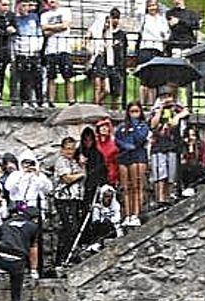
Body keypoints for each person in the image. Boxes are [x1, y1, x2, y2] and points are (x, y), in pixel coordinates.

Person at [0, 205, 39, 301]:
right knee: (16, 297)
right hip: (17, 261)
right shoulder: (32, 226)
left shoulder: (6, 223)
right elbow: (33, 250)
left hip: (1, 258)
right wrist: (33, 271)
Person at [149, 86, 189, 205]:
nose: (167, 99)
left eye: (169, 96)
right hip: (159, 145)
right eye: (164, 97)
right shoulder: (156, 110)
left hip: (173, 144)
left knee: (171, 173)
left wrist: (177, 116)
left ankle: (169, 196)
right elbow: (153, 125)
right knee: (160, 173)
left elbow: (186, 112)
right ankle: (160, 197)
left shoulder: (176, 108)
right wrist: (160, 109)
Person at [115, 102, 149, 227]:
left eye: (136, 111)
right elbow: (117, 139)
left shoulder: (143, 126)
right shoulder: (122, 126)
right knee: (126, 187)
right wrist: (124, 145)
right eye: (131, 112)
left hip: (138, 156)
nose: (134, 114)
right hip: (125, 156)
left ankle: (136, 214)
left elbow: (140, 138)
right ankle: (128, 215)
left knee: (137, 186)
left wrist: (134, 126)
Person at [53, 136, 85, 268]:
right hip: (64, 198)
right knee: (69, 228)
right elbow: (67, 178)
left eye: (72, 149)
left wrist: (82, 165)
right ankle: (61, 258)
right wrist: (81, 174)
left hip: (75, 198)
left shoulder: (75, 162)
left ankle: (70, 255)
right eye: (67, 149)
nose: (70, 152)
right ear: (62, 149)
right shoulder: (61, 161)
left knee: (75, 228)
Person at [40, 0, 74, 106]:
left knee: (68, 76)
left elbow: (65, 26)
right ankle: (51, 101)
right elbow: (44, 31)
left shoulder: (66, 11)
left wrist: (50, 27)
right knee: (51, 76)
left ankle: (71, 100)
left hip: (64, 48)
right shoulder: (44, 15)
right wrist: (59, 27)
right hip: (50, 50)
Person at [138, 0, 170, 104]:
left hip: (158, 49)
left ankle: (152, 104)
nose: (152, 8)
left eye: (154, 5)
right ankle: (142, 104)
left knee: (154, 80)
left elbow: (166, 33)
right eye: (150, 6)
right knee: (144, 79)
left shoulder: (162, 19)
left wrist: (164, 36)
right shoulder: (144, 18)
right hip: (146, 48)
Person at [13, 0, 43, 107]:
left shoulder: (34, 17)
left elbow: (39, 32)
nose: (26, 8)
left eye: (27, 5)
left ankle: (39, 100)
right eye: (23, 5)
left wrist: (38, 47)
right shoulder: (15, 19)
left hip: (34, 51)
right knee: (24, 78)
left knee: (37, 77)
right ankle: (25, 100)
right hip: (22, 51)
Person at [85, 184, 123, 252]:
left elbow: (117, 218)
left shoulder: (116, 205)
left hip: (113, 228)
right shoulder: (97, 207)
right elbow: (95, 220)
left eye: (110, 197)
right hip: (100, 228)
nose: (109, 199)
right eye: (107, 196)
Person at [95, 118, 119, 188]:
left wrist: (116, 177)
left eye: (106, 126)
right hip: (95, 173)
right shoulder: (94, 143)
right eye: (102, 126)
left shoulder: (114, 144)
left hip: (110, 175)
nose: (104, 128)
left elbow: (116, 163)